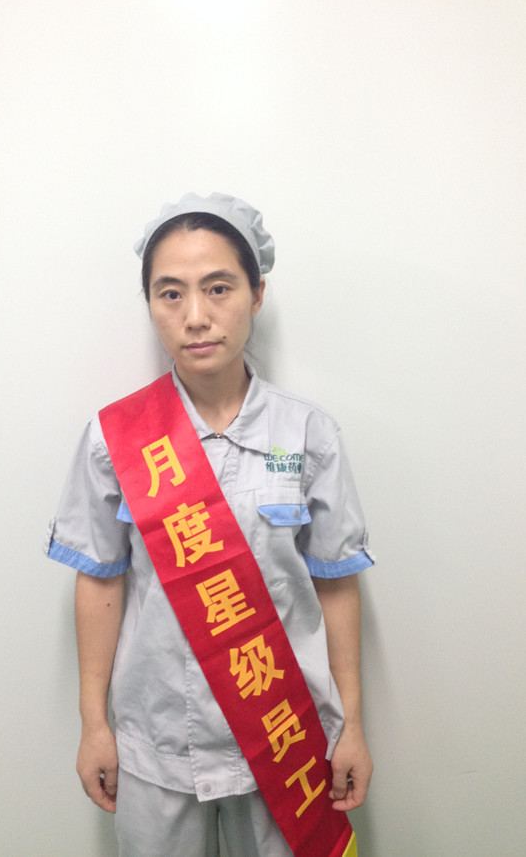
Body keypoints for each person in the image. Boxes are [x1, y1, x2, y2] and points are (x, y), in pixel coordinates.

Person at [45, 192, 374, 857]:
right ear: (150, 304)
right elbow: (100, 581)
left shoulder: (307, 433)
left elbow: (335, 584)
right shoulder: (115, 438)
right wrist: (93, 724)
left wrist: (353, 726)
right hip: (156, 739)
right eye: (170, 294)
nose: (195, 316)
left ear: (256, 294)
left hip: (285, 733)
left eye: (218, 288)